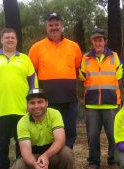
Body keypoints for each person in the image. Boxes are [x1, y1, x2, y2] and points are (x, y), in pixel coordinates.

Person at [0, 28, 36, 169]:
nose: (10, 40)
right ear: (1, 40)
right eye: (7, 37)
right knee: (1, 146)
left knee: (22, 144)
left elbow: (33, 82)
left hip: (22, 110)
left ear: (16, 40)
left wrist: (32, 103)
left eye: (13, 37)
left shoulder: (25, 59)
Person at [28, 12, 82, 149]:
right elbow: (30, 73)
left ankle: (66, 157)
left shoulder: (74, 47)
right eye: (50, 25)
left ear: (62, 26)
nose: (54, 27)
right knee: (49, 133)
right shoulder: (36, 48)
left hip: (69, 100)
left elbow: (77, 67)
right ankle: (50, 159)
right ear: (46, 27)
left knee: (69, 132)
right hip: (46, 102)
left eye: (56, 24)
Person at [79, 28, 123, 169]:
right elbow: (82, 78)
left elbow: (120, 78)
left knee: (113, 134)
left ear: (105, 41)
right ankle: (94, 161)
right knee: (92, 136)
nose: (98, 42)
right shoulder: (85, 58)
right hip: (92, 105)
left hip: (111, 104)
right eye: (95, 40)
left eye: (100, 40)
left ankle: (113, 159)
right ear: (92, 41)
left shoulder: (114, 57)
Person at [12, 88, 74, 169]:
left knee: (66, 154)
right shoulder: (22, 122)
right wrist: (35, 165)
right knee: (19, 166)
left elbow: (60, 140)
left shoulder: (54, 114)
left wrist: (46, 156)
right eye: (32, 103)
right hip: (33, 155)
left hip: (52, 153)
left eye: (40, 102)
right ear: (27, 106)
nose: (36, 106)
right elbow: (26, 152)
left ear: (47, 103)